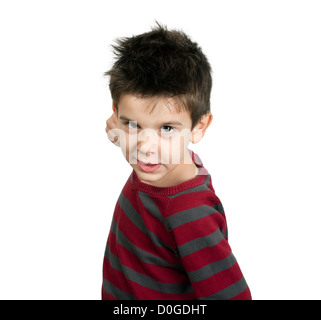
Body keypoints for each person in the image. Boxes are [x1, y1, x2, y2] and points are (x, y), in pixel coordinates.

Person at [102, 23, 251, 300]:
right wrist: (119, 127)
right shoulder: (160, 160)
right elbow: (115, 126)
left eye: (166, 129)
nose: (145, 149)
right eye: (133, 125)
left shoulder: (190, 215)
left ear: (199, 126)